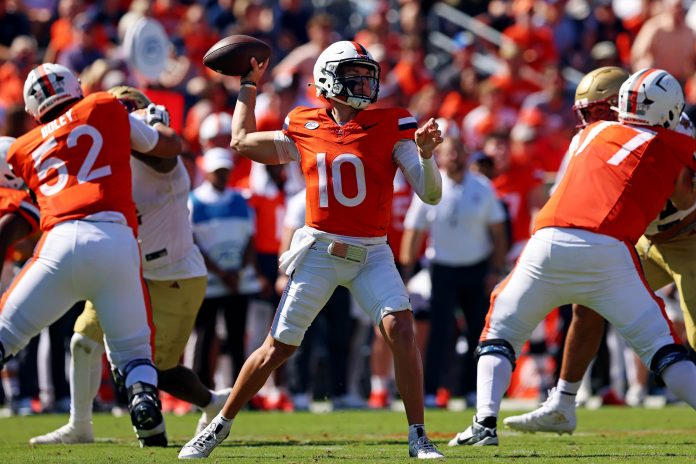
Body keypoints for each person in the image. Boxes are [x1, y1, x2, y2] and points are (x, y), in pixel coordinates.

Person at [179, 40, 445, 459]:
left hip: (373, 252)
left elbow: (429, 195)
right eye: (354, 75)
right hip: (321, 250)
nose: (365, 82)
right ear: (327, 79)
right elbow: (242, 141)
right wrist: (248, 85)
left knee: (402, 329)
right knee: (277, 347)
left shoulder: (395, 125)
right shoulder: (304, 124)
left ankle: (419, 435)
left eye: (367, 74)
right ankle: (217, 426)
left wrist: (427, 157)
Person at [448, 68, 696, 447]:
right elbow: (681, 195)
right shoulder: (675, 142)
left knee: (499, 332)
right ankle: (562, 402)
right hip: (615, 246)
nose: (588, 117)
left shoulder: (590, 134)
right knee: (662, 349)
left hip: (550, 240)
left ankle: (484, 424)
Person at [28, 86, 231, 445]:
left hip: (173, 275)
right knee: (81, 341)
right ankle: (80, 426)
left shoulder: (159, 154)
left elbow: (166, 154)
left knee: (158, 370)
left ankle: (213, 402)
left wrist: (134, 128)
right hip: (126, 270)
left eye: (124, 109)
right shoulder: (108, 159)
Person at [0, 63, 180, 446]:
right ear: (73, 86)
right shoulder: (102, 106)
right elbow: (167, 148)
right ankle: (145, 408)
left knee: (5, 336)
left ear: (33, 106)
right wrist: (157, 123)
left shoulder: (21, 148)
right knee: (134, 354)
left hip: (59, 242)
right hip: (114, 239)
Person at [400, 120, 507, 409]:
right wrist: (405, 274)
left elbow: (498, 231)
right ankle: (433, 391)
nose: (454, 156)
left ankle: (475, 391)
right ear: (440, 155)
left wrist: (495, 270)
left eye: (458, 151)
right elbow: (413, 230)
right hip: (443, 267)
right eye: (449, 151)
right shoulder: (431, 184)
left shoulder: (482, 186)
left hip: (476, 267)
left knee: (478, 330)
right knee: (439, 331)